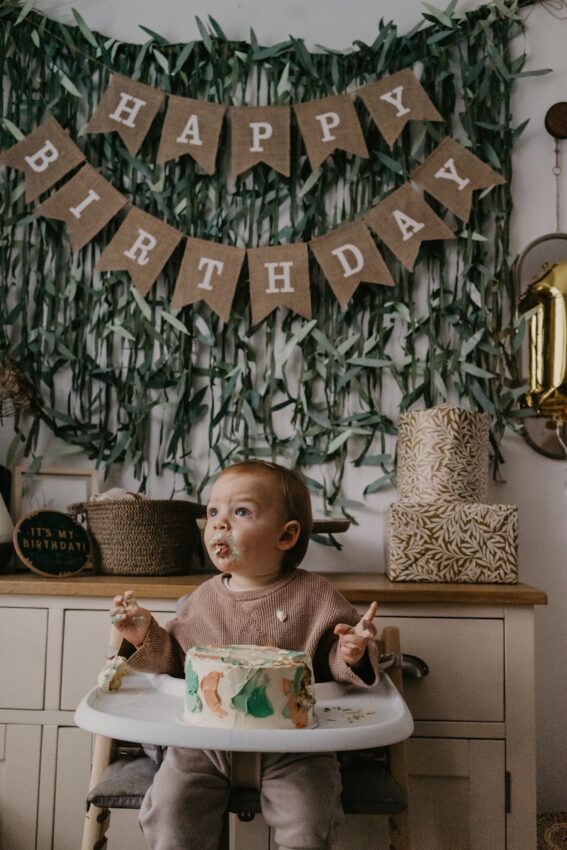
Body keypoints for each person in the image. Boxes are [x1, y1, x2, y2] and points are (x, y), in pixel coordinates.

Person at [110, 459, 379, 850]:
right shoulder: (202, 600)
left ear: (286, 536)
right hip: (203, 743)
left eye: (241, 512)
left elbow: (332, 661)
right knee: (171, 811)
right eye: (213, 512)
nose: (220, 523)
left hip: (294, 744)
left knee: (310, 818)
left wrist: (351, 653)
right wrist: (143, 636)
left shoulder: (317, 597)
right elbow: (175, 662)